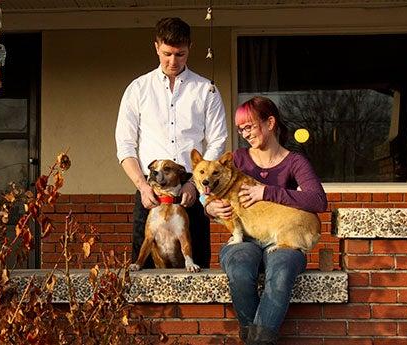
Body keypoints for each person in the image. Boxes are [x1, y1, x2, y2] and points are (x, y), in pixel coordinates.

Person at [205, 96, 327, 344]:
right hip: (245, 239)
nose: (245, 134)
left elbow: (317, 201)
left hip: (284, 240)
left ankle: (255, 341)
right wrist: (211, 208)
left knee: (281, 271)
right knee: (239, 269)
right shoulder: (237, 159)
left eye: (249, 126)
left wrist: (267, 192)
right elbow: (210, 191)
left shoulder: (295, 161)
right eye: (241, 129)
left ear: (270, 123)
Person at [115, 17, 228, 270]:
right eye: (167, 54)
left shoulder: (206, 90)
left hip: (192, 185)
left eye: (180, 54)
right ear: (156, 47)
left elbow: (218, 140)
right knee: (142, 270)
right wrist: (143, 187)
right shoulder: (138, 89)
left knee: (197, 266)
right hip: (150, 187)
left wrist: (195, 183)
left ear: (190, 48)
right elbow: (125, 145)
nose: (173, 62)